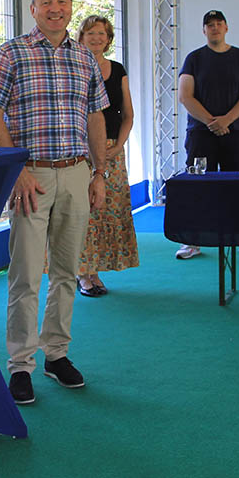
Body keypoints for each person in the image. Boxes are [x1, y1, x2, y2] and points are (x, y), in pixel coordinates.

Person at [0, 0, 109, 405]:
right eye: (46, 2)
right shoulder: (11, 54)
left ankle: (57, 354)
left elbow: (96, 118)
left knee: (66, 271)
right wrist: (12, 168)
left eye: (62, 1)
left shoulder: (85, 58)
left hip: (76, 172)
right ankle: (21, 364)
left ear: (70, 7)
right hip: (30, 177)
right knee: (24, 275)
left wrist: (99, 174)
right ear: (33, 8)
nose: (55, 8)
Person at [175, 9, 239, 260]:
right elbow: (185, 95)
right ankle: (192, 240)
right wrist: (211, 122)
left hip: (235, 132)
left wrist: (227, 120)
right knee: (197, 186)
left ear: (226, 28)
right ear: (203, 30)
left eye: (219, 24)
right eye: (209, 25)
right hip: (200, 134)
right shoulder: (194, 59)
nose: (214, 28)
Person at [75, 15, 139, 297]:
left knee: (106, 211)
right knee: (84, 212)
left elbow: (128, 115)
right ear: (81, 37)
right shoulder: (72, 66)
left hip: (113, 150)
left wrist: (118, 145)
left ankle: (96, 270)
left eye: (101, 33)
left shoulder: (118, 69)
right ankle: (83, 273)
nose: (96, 38)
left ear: (109, 39)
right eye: (90, 33)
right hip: (80, 150)